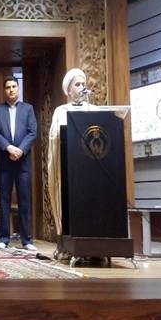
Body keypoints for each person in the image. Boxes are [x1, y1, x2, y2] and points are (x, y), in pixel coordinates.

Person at [0, 76, 38, 250]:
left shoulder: (28, 109)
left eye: (13, 86)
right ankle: (3, 238)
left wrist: (20, 150)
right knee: (4, 200)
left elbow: (32, 132)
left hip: (23, 163)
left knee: (24, 199)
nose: (11, 90)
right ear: (4, 91)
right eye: (8, 87)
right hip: (5, 162)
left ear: (18, 88)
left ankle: (27, 240)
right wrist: (9, 148)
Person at [47, 68, 94, 235]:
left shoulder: (93, 110)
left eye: (83, 84)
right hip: (70, 167)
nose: (81, 87)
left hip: (90, 166)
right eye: (77, 84)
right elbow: (54, 135)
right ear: (68, 90)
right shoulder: (61, 111)